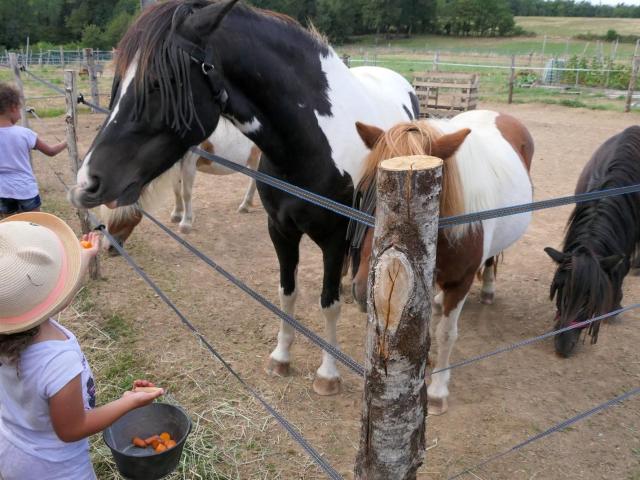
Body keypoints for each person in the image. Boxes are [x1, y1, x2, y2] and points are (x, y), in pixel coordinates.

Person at [0, 212, 164, 480]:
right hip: (55, 469)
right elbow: (73, 428)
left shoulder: (11, 329)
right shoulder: (57, 359)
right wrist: (129, 402)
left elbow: (56, 300)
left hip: (13, 450)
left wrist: (85, 256)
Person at [0, 82, 67, 218]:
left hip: (2, 191)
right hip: (26, 190)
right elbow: (51, 151)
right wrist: (66, 143)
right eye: (19, 109)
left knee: (9, 225)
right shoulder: (25, 133)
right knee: (36, 223)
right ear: (13, 108)